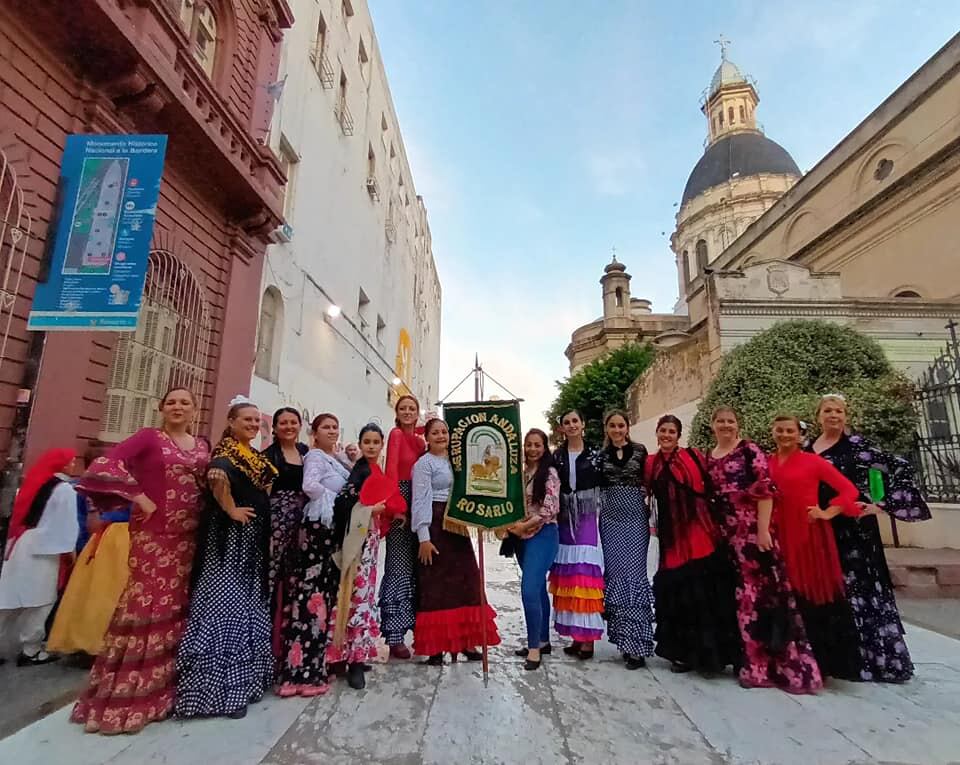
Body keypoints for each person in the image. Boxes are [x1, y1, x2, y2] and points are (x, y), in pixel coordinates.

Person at [71, 387, 210, 733]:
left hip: (190, 539)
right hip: (154, 536)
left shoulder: (203, 445)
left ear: (195, 410)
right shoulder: (149, 438)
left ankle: (162, 692)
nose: (178, 407)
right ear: (161, 408)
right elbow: (106, 463)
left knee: (176, 607)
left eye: (185, 403)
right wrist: (139, 497)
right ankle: (125, 698)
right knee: (145, 605)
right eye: (172, 402)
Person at [807, 393, 930, 682]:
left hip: (856, 531)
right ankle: (838, 659)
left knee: (862, 592)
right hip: (822, 530)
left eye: (839, 410)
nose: (833, 415)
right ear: (818, 416)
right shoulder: (807, 448)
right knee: (831, 591)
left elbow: (900, 466)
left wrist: (880, 505)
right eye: (828, 410)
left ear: (845, 416)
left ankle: (875, 661)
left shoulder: (857, 447)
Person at [706, 406, 822, 694]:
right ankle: (744, 660)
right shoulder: (709, 456)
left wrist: (762, 530)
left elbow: (765, 490)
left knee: (758, 599)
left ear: (738, 424)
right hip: (724, 535)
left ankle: (773, 667)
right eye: (721, 421)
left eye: (730, 421)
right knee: (737, 597)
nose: (726, 425)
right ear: (712, 425)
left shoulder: (749, 450)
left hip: (750, 533)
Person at [175, 396, 278, 720]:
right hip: (229, 545)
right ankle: (220, 694)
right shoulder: (226, 453)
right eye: (245, 419)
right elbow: (217, 476)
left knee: (246, 605)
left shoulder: (250, 454)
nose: (251, 424)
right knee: (226, 607)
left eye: (255, 420)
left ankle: (244, 684)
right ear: (231, 422)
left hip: (250, 544)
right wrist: (230, 508)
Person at [768, 413, 863, 681]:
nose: (785, 435)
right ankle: (789, 659)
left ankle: (822, 661)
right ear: (773, 433)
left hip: (808, 535)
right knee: (785, 595)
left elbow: (849, 491)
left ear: (799, 435)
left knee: (810, 592)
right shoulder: (768, 462)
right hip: (779, 533)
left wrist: (827, 513)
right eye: (780, 430)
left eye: (790, 431)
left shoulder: (813, 462)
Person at [645, 415, 740, 674]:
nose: (667, 435)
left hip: (701, 532)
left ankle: (715, 654)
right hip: (671, 539)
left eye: (671, 431)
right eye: (663, 430)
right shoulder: (651, 463)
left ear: (678, 435)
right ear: (657, 433)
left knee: (705, 594)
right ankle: (683, 653)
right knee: (679, 596)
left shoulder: (694, 456)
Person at [412, 418, 500, 665]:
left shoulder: (457, 461)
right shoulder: (424, 464)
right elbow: (420, 501)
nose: (441, 436)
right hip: (435, 525)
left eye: (444, 431)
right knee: (437, 589)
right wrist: (424, 538)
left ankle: (466, 643)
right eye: (435, 433)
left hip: (457, 525)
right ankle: (437, 647)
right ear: (427, 438)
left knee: (467, 583)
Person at [276, 413, 348, 697]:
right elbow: (310, 486)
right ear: (314, 433)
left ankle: (309, 670)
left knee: (321, 600)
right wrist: (337, 502)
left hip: (329, 533)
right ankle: (299, 673)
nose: (331, 431)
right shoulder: (316, 457)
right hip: (317, 532)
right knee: (310, 599)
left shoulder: (336, 459)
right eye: (325, 427)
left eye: (334, 426)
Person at [327, 423, 404, 689]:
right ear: (360, 444)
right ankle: (352, 661)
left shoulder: (375, 470)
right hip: (357, 542)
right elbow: (343, 504)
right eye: (366, 442)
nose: (371, 446)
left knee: (364, 595)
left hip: (369, 541)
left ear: (382, 444)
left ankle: (353, 654)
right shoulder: (359, 471)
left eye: (375, 442)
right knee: (355, 596)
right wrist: (372, 509)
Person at [47, 447, 131, 658]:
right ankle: (99, 641)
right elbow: (90, 521)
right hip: (114, 540)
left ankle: (87, 639)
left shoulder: (85, 486)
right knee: (105, 592)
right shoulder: (95, 487)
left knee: (93, 591)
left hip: (104, 540)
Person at [0, 448, 79, 666]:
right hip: (45, 547)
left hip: (21, 544)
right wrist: (70, 551)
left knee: (8, 598)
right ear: (63, 465)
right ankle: (31, 649)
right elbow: (66, 524)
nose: (74, 465)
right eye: (71, 462)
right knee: (41, 600)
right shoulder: (64, 490)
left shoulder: (37, 482)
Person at [594, 410, 654, 670]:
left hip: (635, 519)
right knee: (616, 575)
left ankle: (638, 646)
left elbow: (650, 482)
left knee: (635, 576)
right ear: (607, 429)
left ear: (627, 428)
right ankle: (624, 641)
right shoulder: (600, 455)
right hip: (610, 520)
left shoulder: (641, 452)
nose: (617, 430)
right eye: (612, 426)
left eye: (621, 425)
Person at [548, 410, 604, 660]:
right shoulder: (556, 456)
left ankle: (588, 639)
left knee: (584, 574)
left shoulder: (595, 455)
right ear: (561, 428)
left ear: (583, 425)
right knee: (568, 575)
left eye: (575, 421)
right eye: (566, 422)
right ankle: (575, 635)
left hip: (586, 515)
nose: (571, 425)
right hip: (562, 517)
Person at [380, 395, 426, 659]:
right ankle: (395, 635)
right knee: (398, 567)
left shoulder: (420, 441)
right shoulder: (396, 434)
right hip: (400, 501)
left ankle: (418, 628)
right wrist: (396, 507)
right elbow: (392, 471)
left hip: (418, 502)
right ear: (397, 412)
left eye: (412, 408)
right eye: (403, 408)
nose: (408, 412)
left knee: (418, 568)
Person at [510, 429, 560, 671]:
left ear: (544, 447)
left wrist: (524, 526)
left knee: (529, 589)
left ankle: (533, 649)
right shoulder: (521, 474)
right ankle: (543, 639)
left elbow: (549, 509)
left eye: (537, 445)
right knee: (538, 588)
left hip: (543, 534)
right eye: (528, 445)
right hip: (521, 537)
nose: (532, 449)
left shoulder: (549, 473)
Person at [261, 408, 309, 657]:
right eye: (283, 423)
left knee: (296, 579)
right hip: (277, 523)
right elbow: (262, 493)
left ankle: (291, 643)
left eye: (293, 422)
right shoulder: (268, 456)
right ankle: (268, 645)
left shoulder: (305, 452)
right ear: (275, 427)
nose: (288, 426)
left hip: (302, 523)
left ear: (300, 425)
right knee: (273, 577)